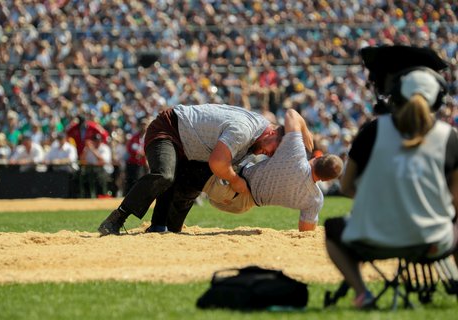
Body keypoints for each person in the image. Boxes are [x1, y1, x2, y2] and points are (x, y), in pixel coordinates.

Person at [324, 46, 458, 309]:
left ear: (395, 93)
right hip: (432, 242)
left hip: (374, 240)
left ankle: (363, 293)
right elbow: (456, 201)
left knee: (333, 228)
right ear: (438, 99)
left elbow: (346, 185)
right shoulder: (450, 138)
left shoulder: (372, 132)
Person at [98, 104, 284, 236]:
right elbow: (218, 163)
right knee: (165, 174)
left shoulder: (256, 139)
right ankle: (117, 218)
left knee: (193, 179)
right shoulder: (245, 130)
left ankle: (160, 226)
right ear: (272, 133)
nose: (268, 154)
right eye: (273, 150)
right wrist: (235, 181)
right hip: (168, 129)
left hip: (190, 148)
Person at [166, 109, 344, 232]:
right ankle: (169, 221)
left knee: (189, 170)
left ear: (319, 158)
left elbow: (291, 114)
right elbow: (305, 232)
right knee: (198, 172)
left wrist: (305, 130)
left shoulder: (295, 156)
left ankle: (164, 224)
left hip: (235, 190)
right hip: (242, 204)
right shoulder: (315, 199)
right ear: (326, 180)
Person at [79, 133, 113, 198]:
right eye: (95, 140)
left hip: (103, 170)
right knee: (85, 176)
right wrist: (86, 149)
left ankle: (101, 196)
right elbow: (82, 160)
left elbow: (102, 161)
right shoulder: (88, 148)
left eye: (98, 140)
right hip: (90, 169)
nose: (97, 142)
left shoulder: (104, 148)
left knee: (99, 178)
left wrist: (92, 149)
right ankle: (87, 196)